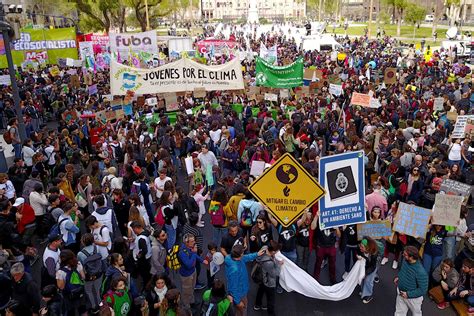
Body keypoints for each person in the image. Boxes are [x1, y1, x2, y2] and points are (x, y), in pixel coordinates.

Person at [225, 244, 264, 316]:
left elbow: (246, 257)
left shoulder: (229, 257)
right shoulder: (235, 270)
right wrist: (238, 302)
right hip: (240, 293)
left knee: (239, 311)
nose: (244, 254)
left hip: (240, 291)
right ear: (239, 255)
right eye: (242, 253)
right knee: (242, 311)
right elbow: (233, 287)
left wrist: (256, 254)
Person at [393, 246, 428, 316]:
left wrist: (408, 294)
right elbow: (403, 271)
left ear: (411, 257)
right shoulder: (405, 261)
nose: (403, 255)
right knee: (399, 313)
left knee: (416, 314)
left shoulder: (421, 272)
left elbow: (423, 290)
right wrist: (399, 277)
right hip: (400, 293)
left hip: (413, 299)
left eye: (405, 255)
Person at [177, 233, 207, 308]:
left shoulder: (190, 247)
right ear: (186, 243)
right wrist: (194, 253)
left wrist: (202, 260)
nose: (194, 242)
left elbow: (194, 256)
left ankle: (192, 301)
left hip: (193, 271)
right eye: (192, 241)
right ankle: (187, 305)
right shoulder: (182, 252)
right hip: (186, 275)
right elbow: (189, 265)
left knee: (192, 287)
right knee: (187, 291)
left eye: (194, 240)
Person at [77, 233, 104, 313]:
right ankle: (100, 304)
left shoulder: (80, 254)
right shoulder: (97, 248)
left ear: (83, 242)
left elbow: (81, 266)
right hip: (99, 273)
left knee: (89, 291)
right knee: (97, 289)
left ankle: (93, 307)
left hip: (89, 275)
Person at [254, 241, 282, 315]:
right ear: (272, 251)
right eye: (276, 251)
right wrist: (279, 265)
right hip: (269, 282)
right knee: (271, 299)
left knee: (260, 291)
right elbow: (275, 274)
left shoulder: (264, 248)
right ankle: (271, 313)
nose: (277, 252)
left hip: (262, 278)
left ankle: (257, 304)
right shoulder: (269, 263)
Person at [56, 250, 87, 316]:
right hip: (80, 291)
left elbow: (61, 287)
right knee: (83, 309)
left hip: (69, 295)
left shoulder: (61, 272)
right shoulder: (78, 264)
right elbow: (83, 277)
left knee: (70, 311)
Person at [131, 220, 152, 290]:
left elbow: (144, 250)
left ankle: (147, 288)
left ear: (136, 228)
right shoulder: (146, 233)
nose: (133, 232)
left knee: (146, 276)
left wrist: (138, 256)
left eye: (133, 230)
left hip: (144, 261)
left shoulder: (141, 239)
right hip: (148, 258)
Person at [357, 237, 379, 304]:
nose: (360, 248)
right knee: (362, 278)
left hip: (372, 267)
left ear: (367, 248)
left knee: (368, 280)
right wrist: (358, 256)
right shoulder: (360, 249)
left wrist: (366, 273)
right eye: (360, 246)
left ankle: (368, 295)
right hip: (365, 265)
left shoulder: (374, 254)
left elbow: (373, 266)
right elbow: (358, 254)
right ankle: (364, 291)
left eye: (362, 247)